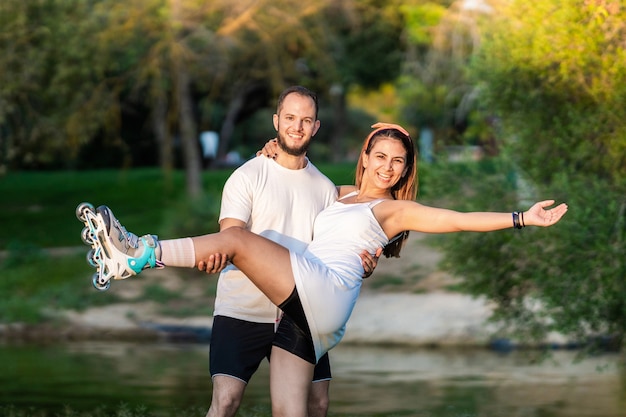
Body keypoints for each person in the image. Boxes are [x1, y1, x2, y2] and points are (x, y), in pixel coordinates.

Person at [77, 122, 568, 417]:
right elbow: (300, 180)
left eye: (398, 162)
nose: (388, 168)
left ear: (405, 170)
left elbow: (457, 221)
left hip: (324, 293)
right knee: (293, 412)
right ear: (366, 157)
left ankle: (138, 255)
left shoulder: (395, 210)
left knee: (239, 241)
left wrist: (522, 217)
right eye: (381, 156)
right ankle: (134, 254)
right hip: (311, 316)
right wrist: (271, 152)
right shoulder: (338, 194)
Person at [200, 86, 379, 417]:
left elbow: (334, 246)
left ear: (316, 127)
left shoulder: (325, 189)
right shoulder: (247, 175)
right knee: (225, 402)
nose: (297, 127)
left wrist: (361, 264)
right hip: (243, 309)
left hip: (301, 315)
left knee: (318, 404)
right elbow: (230, 234)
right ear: (276, 121)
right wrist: (216, 253)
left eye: (306, 120)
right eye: (290, 118)